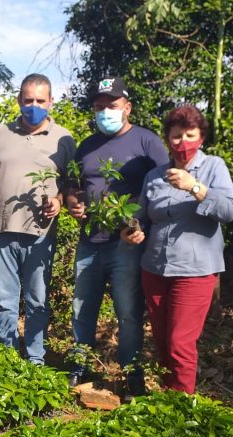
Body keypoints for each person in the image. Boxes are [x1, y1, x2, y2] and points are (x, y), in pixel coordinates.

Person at [65, 75, 169, 395]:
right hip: (89, 242)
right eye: (99, 106)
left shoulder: (146, 142)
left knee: (128, 312)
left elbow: (165, 187)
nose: (105, 111)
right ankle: (79, 366)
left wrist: (143, 227)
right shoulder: (87, 145)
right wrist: (73, 201)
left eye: (111, 105)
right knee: (82, 309)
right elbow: (73, 185)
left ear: (127, 107)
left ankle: (131, 374)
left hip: (126, 244)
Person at [122, 104, 233, 393]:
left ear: (201, 137)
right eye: (176, 136)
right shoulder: (155, 176)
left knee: (180, 343)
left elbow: (229, 210)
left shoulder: (213, 167)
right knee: (162, 341)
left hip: (195, 271)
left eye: (189, 135)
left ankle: (182, 408)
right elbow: (144, 218)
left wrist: (195, 187)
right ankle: (167, 401)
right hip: (156, 269)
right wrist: (134, 231)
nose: (182, 143)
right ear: (167, 139)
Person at [0, 73, 76, 364]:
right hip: (2, 228)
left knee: (37, 300)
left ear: (51, 102)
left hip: (41, 232)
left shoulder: (64, 138)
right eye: (28, 100)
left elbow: (72, 183)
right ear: (19, 100)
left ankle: (35, 358)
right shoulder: (1, 134)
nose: (33, 105)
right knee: (5, 300)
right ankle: (7, 358)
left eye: (40, 101)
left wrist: (59, 201)